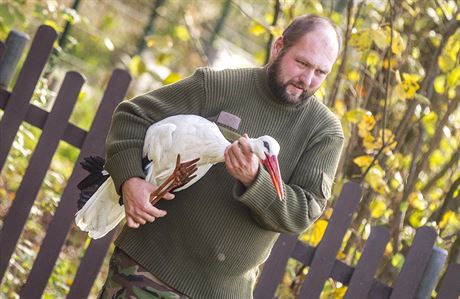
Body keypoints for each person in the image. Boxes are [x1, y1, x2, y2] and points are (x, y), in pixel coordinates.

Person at [99, 14, 344, 299]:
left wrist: (255, 180)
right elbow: (133, 116)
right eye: (302, 63)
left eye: (320, 72)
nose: (307, 79)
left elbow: (302, 213)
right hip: (145, 270)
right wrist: (130, 180)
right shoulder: (219, 85)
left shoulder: (324, 132)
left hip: (223, 292)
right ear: (278, 47)